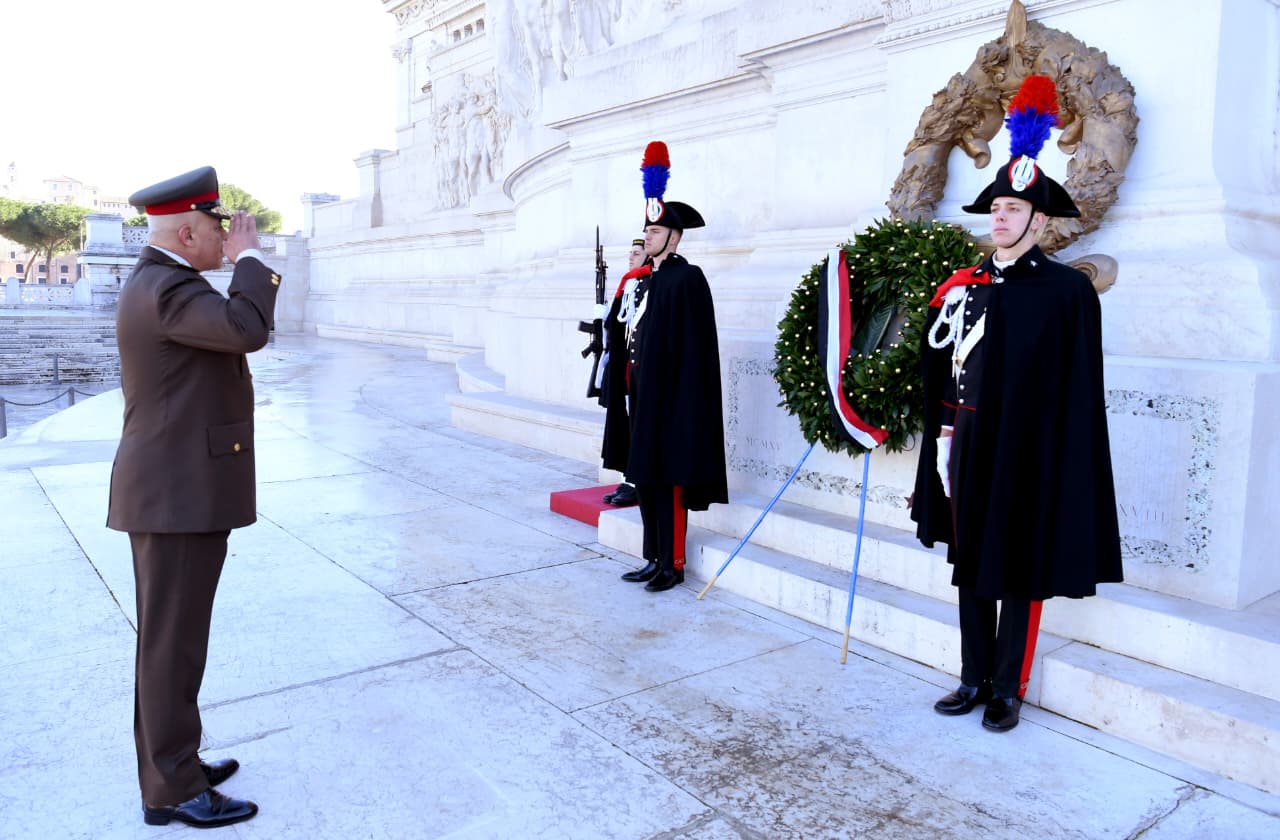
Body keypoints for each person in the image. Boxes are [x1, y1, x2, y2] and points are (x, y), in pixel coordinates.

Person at [910, 76, 1122, 732]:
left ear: (1039, 218)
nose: (998, 216)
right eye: (995, 207)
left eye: (1011, 208)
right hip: (967, 449)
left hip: (1029, 454)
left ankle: (1008, 685)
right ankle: (972, 675)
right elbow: (940, 367)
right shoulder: (963, 286)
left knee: (1019, 570)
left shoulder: (1065, 294)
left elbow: (1077, 392)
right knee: (968, 560)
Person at [108, 166, 280, 827]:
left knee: (176, 642)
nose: (227, 237)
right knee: (170, 645)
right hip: (175, 500)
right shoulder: (168, 289)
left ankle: (177, 762)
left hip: (177, 494)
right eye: (219, 229)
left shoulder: (165, 285)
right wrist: (253, 260)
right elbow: (246, 328)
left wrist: (239, 259)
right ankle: (172, 787)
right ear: (188, 231)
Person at [620, 141, 728, 592]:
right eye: (647, 230)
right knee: (644, 478)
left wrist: (685, 404)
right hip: (644, 397)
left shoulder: (688, 278)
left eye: (656, 232)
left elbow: (696, 349)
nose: (648, 237)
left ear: (674, 237)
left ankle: (673, 563)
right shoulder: (647, 281)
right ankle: (651, 557)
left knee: (670, 484)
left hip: (674, 402)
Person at [600, 237, 648, 508]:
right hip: (625, 369)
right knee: (626, 425)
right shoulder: (627, 284)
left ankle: (637, 481)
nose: (631, 257)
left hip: (640, 369)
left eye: (636, 253)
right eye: (630, 252)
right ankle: (628, 477)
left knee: (639, 426)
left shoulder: (647, 284)